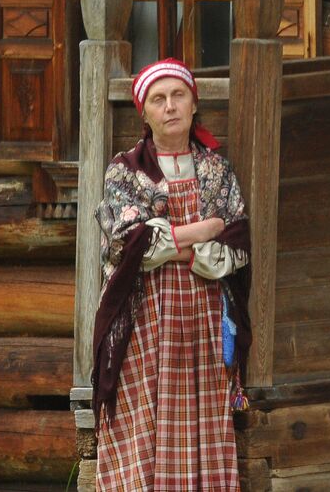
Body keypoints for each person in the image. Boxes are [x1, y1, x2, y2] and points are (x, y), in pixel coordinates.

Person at [92, 58, 251, 489]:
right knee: (143, 412)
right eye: (158, 100)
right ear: (144, 113)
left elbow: (235, 246)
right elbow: (131, 246)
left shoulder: (217, 171)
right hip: (145, 317)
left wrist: (170, 243)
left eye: (178, 96)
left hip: (203, 317)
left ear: (194, 104)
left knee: (202, 412)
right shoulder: (125, 171)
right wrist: (202, 230)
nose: (170, 107)